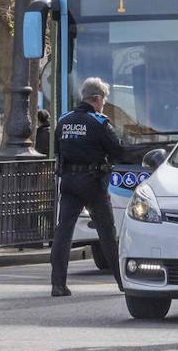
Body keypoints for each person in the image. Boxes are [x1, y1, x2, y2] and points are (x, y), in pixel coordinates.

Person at [49, 77, 123, 296]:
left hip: (69, 182)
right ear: (97, 98)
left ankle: (58, 284)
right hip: (93, 183)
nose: (103, 104)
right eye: (103, 100)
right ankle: (122, 281)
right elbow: (117, 150)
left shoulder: (63, 120)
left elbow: (58, 150)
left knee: (63, 232)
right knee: (107, 233)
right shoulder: (99, 122)